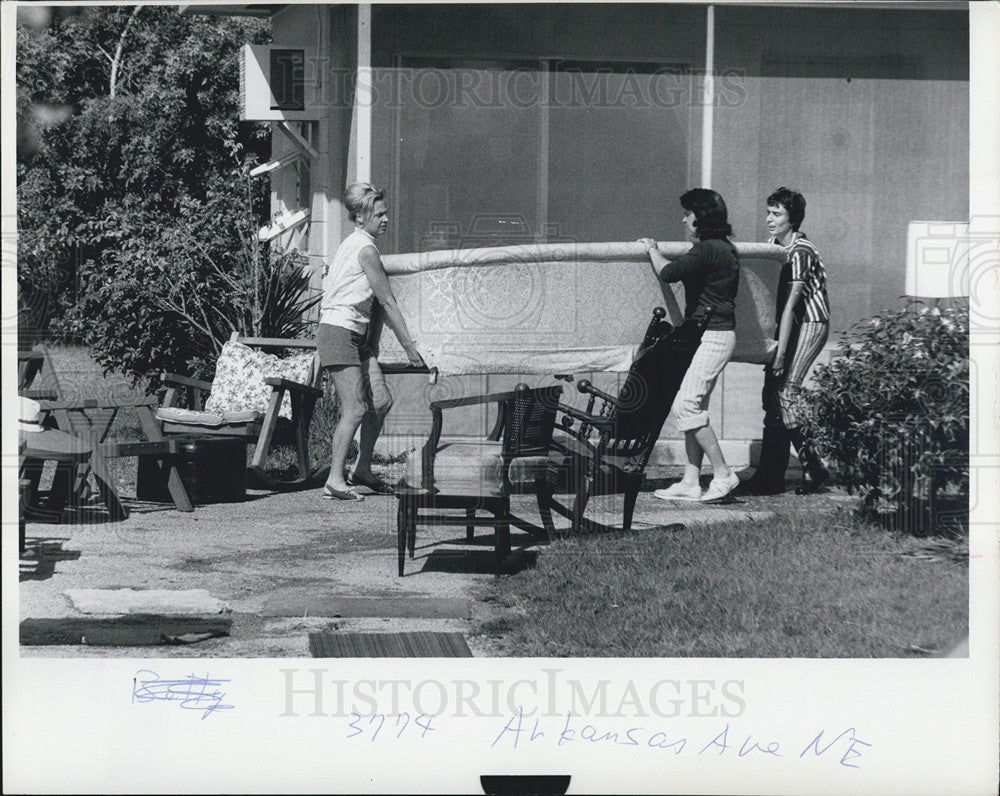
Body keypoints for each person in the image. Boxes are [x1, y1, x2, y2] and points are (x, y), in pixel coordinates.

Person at [316, 182, 425, 500]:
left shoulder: (354, 243)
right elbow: (388, 302)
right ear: (361, 217)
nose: (386, 219)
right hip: (338, 334)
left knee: (381, 401)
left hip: (354, 336)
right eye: (379, 214)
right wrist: (409, 346)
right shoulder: (365, 250)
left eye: (386, 213)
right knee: (355, 408)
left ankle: (362, 469)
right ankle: (335, 480)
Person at [638, 188, 741, 504]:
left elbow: (669, 273)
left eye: (688, 213)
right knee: (695, 407)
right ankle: (690, 481)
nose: (684, 219)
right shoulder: (724, 248)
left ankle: (723, 474)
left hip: (713, 336)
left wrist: (652, 248)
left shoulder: (707, 249)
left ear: (701, 215)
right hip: (714, 335)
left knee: (687, 405)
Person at [741, 187, 830, 495]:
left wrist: (779, 352)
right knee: (772, 397)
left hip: (809, 324)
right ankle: (770, 476)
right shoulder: (773, 246)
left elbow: (791, 305)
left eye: (777, 213)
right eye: (769, 212)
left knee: (786, 394)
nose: (769, 218)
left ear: (793, 219)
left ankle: (813, 468)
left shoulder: (800, 250)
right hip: (786, 326)